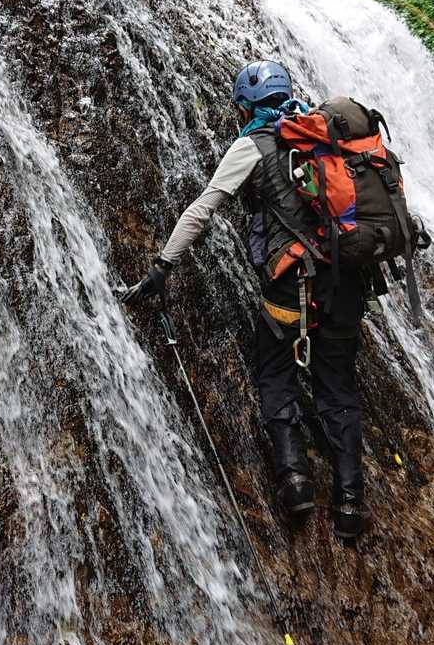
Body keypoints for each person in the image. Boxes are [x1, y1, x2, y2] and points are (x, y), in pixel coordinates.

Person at [116, 60, 374, 539]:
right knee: (338, 386)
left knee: (275, 372)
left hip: (292, 284)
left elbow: (203, 210)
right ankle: (350, 505)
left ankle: (295, 483)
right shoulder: (322, 137)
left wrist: (162, 266)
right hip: (346, 283)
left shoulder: (253, 144)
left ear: (245, 107)